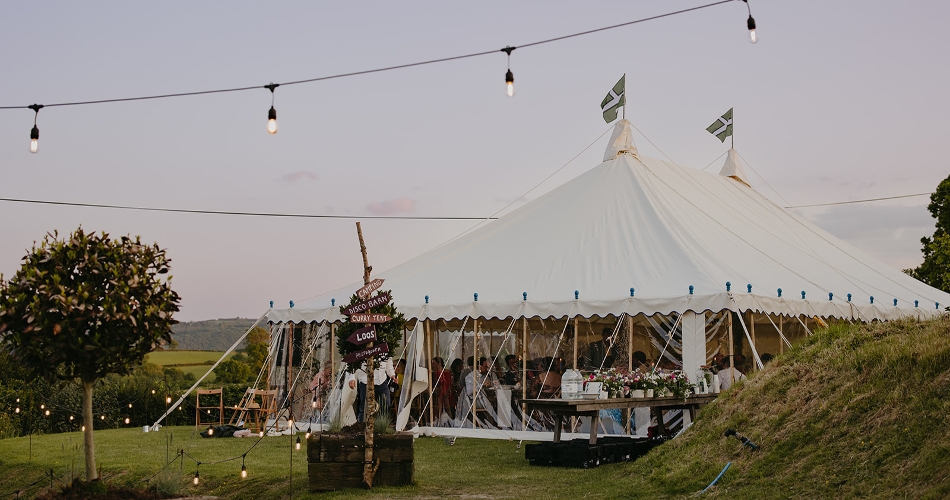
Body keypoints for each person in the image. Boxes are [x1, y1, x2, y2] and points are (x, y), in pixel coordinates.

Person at [347, 357, 396, 421]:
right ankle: (362, 426)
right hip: (365, 381)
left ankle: (381, 427)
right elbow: (351, 360)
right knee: (365, 407)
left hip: (381, 380)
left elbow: (388, 361)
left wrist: (392, 374)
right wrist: (351, 378)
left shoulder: (385, 348)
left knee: (386, 405)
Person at [431, 357, 454, 422]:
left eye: (434, 363)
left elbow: (448, 384)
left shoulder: (444, 372)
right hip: (440, 392)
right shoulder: (435, 372)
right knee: (442, 408)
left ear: (439, 364)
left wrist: (445, 392)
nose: (433, 365)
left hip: (444, 392)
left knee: (446, 407)